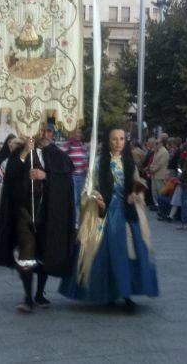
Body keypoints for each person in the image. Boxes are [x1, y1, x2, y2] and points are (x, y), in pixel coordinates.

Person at [59, 127, 158, 312]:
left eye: (121, 138)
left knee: (129, 252)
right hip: (103, 214)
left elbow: (138, 183)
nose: (118, 142)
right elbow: (88, 188)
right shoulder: (98, 163)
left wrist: (135, 193)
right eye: (114, 139)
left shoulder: (129, 162)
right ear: (108, 141)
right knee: (104, 254)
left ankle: (127, 294)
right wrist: (96, 198)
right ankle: (108, 293)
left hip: (125, 213)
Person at [0, 132, 76, 313]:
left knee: (44, 252)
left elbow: (65, 181)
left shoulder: (56, 153)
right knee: (27, 252)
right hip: (24, 211)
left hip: (47, 211)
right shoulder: (18, 153)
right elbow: (10, 176)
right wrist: (24, 153)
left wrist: (45, 176)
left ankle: (39, 292)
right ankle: (27, 296)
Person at [60, 128, 89, 223]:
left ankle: (79, 222)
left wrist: (87, 170)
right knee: (74, 200)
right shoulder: (68, 145)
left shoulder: (83, 146)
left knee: (81, 201)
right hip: (72, 177)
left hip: (82, 176)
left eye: (79, 132)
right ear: (71, 134)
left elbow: (85, 160)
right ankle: (75, 223)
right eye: (76, 132)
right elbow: (60, 157)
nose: (78, 134)